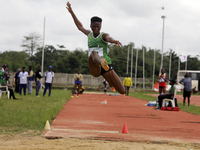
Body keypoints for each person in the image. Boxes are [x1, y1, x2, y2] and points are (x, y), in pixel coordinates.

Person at [66, 2, 125, 94]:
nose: (96, 29)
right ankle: (101, 62)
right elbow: (79, 26)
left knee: (122, 91)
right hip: (94, 65)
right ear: (91, 26)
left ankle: (109, 80)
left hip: (106, 65)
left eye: (98, 27)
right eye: (94, 26)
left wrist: (114, 41)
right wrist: (71, 12)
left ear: (101, 26)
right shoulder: (89, 34)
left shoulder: (103, 35)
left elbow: (108, 38)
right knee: (94, 52)